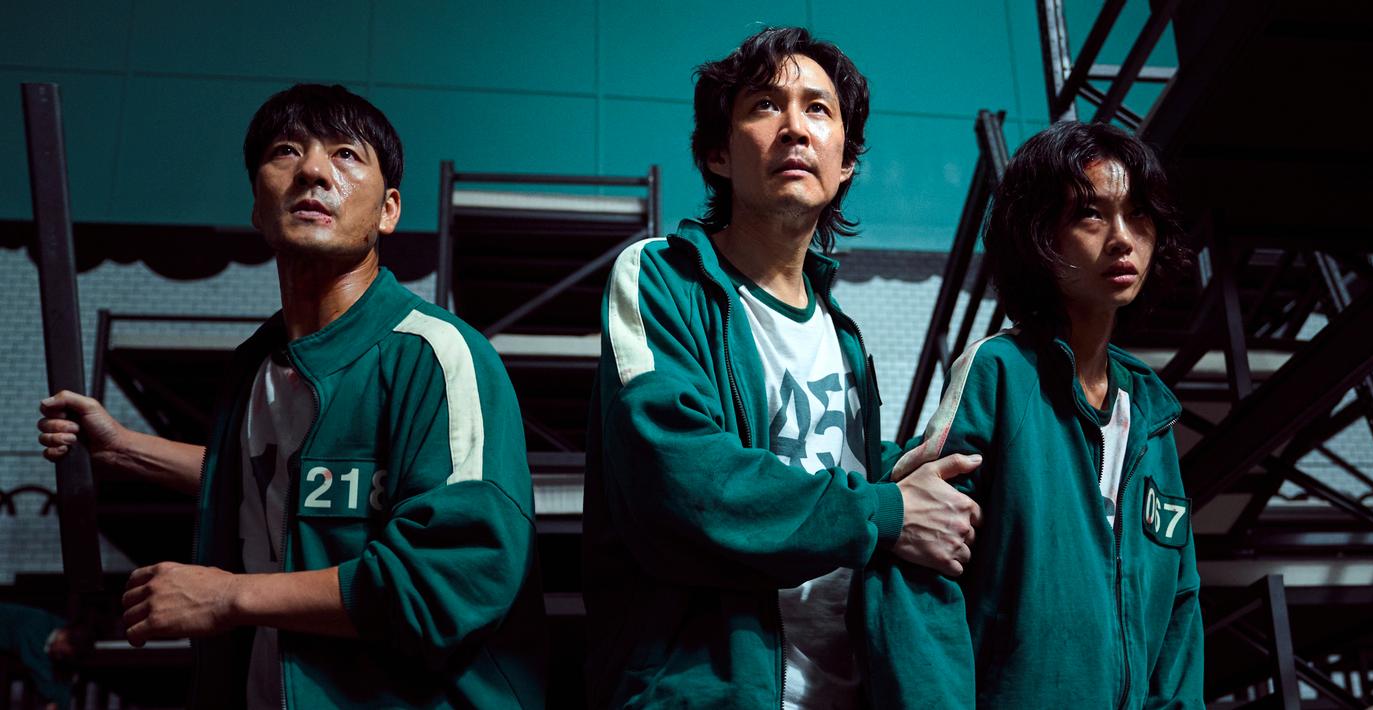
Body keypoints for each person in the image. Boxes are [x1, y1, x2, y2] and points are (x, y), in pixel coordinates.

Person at [36, 84, 546, 708]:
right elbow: (276, 485)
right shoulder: (254, 367)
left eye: (346, 154)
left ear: (388, 211)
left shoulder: (437, 356)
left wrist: (230, 596)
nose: (312, 171)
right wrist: (121, 449)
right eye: (286, 151)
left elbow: (451, 581)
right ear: (257, 207)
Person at [583, 27, 984, 708]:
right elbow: (680, 485)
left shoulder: (843, 335)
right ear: (717, 153)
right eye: (766, 105)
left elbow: (831, 478)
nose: (796, 127)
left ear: (846, 162)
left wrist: (903, 472)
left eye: (818, 109)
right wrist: (886, 509)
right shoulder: (660, 279)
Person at [865, 120, 1203, 708]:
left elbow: (1180, 608)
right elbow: (920, 572)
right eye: (1090, 215)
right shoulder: (1000, 374)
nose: (1122, 239)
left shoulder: (1153, 414)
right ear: (1040, 235)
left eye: (1137, 215)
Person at [0, 602, 91, 710]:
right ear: (63, 636)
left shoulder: (63, 635)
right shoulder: (37, 625)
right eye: (61, 653)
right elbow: (36, 664)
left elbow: (65, 678)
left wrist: (59, 704)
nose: (60, 657)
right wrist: (52, 698)